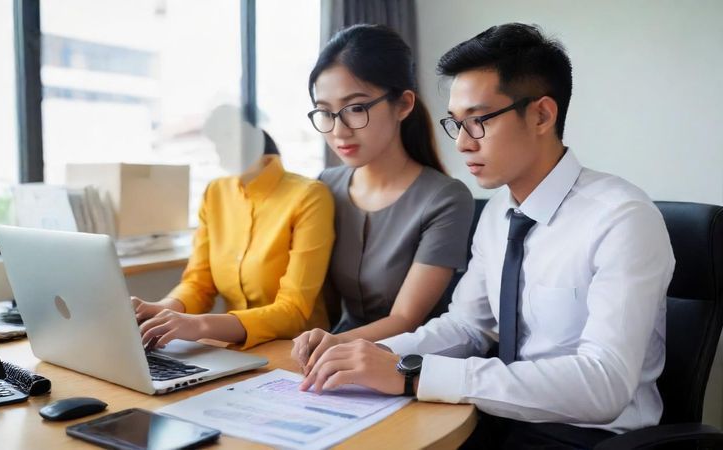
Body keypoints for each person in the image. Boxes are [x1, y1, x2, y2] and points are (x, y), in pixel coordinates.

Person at [299, 23, 675, 449]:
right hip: (494, 418)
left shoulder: (622, 219)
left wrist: (414, 373)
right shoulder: (499, 213)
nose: (461, 144)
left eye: (477, 122)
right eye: (455, 124)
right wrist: (377, 355)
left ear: (541, 115)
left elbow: (603, 384)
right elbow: (467, 328)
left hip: (589, 438)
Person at [291, 24, 474, 374]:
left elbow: (405, 319)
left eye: (355, 109)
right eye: (325, 112)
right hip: (335, 360)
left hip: (411, 368)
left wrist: (334, 344)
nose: (338, 130)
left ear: (403, 104)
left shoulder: (446, 199)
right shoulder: (323, 187)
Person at [134, 106, 334, 350]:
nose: (220, 149)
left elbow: (294, 310)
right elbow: (199, 283)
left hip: (298, 350)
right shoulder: (215, 192)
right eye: (216, 141)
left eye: (228, 137)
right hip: (233, 348)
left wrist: (200, 326)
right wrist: (166, 308)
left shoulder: (309, 196)